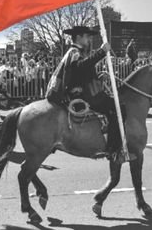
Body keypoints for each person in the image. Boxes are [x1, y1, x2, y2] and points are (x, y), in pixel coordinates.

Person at [45, 25, 124, 161]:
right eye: (87, 36)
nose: (89, 39)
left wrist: (99, 76)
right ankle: (113, 149)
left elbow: (79, 75)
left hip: (84, 91)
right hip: (84, 95)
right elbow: (80, 67)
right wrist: (101, 52)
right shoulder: (75, 52)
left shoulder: (77, 52)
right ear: (79, 37)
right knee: (118, 108)